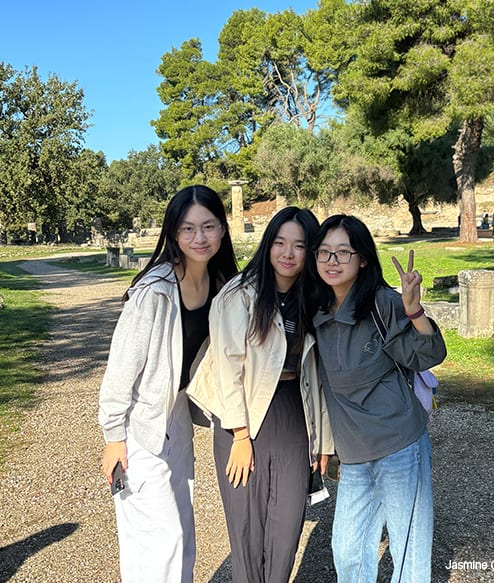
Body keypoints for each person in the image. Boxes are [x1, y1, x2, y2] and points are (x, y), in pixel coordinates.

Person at [98, 185, 238, 583]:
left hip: (176, 415)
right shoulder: (153, 293)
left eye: (209, 227)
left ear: (223, 230)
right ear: (174, 234)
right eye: (188, 228)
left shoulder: (223, 284)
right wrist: (113, 437)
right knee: (159, 535)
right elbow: (120, 370)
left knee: (182, 527)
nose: (199, 238)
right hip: (141, 421)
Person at [187, 206, 334, 583]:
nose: (287, 253)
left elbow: (318, 376)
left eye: (299, 246)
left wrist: (324, 441)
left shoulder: (313, 300)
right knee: (248, 533)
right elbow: (228, 367)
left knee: (286, 529)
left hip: (290, 414)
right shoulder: (240, 295)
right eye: (280, 242)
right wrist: (239, 435)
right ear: (268, 245)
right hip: (242, 419)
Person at [309, 214, 447, 583]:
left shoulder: (383, 303)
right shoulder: (315, 309)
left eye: (343, 252)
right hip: (354, 455)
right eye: (324, 252)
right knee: (348, 550)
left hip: (399, 445)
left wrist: (414, 309)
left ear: (363, 258)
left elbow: (428, 355)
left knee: (409, 551)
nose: (332, 261)